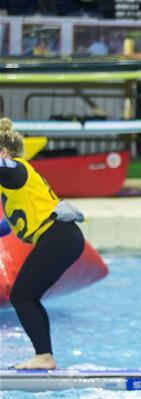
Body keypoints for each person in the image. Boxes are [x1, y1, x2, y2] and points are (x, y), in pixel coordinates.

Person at [0, 118, 85, 369]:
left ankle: (44, 356)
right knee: (28, 296)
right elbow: (8, 226)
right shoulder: (13, 187)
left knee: (22, 295)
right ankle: (44, 356)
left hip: (59, 236)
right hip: (62, 238)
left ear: (4, 152)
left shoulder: (16, 169)